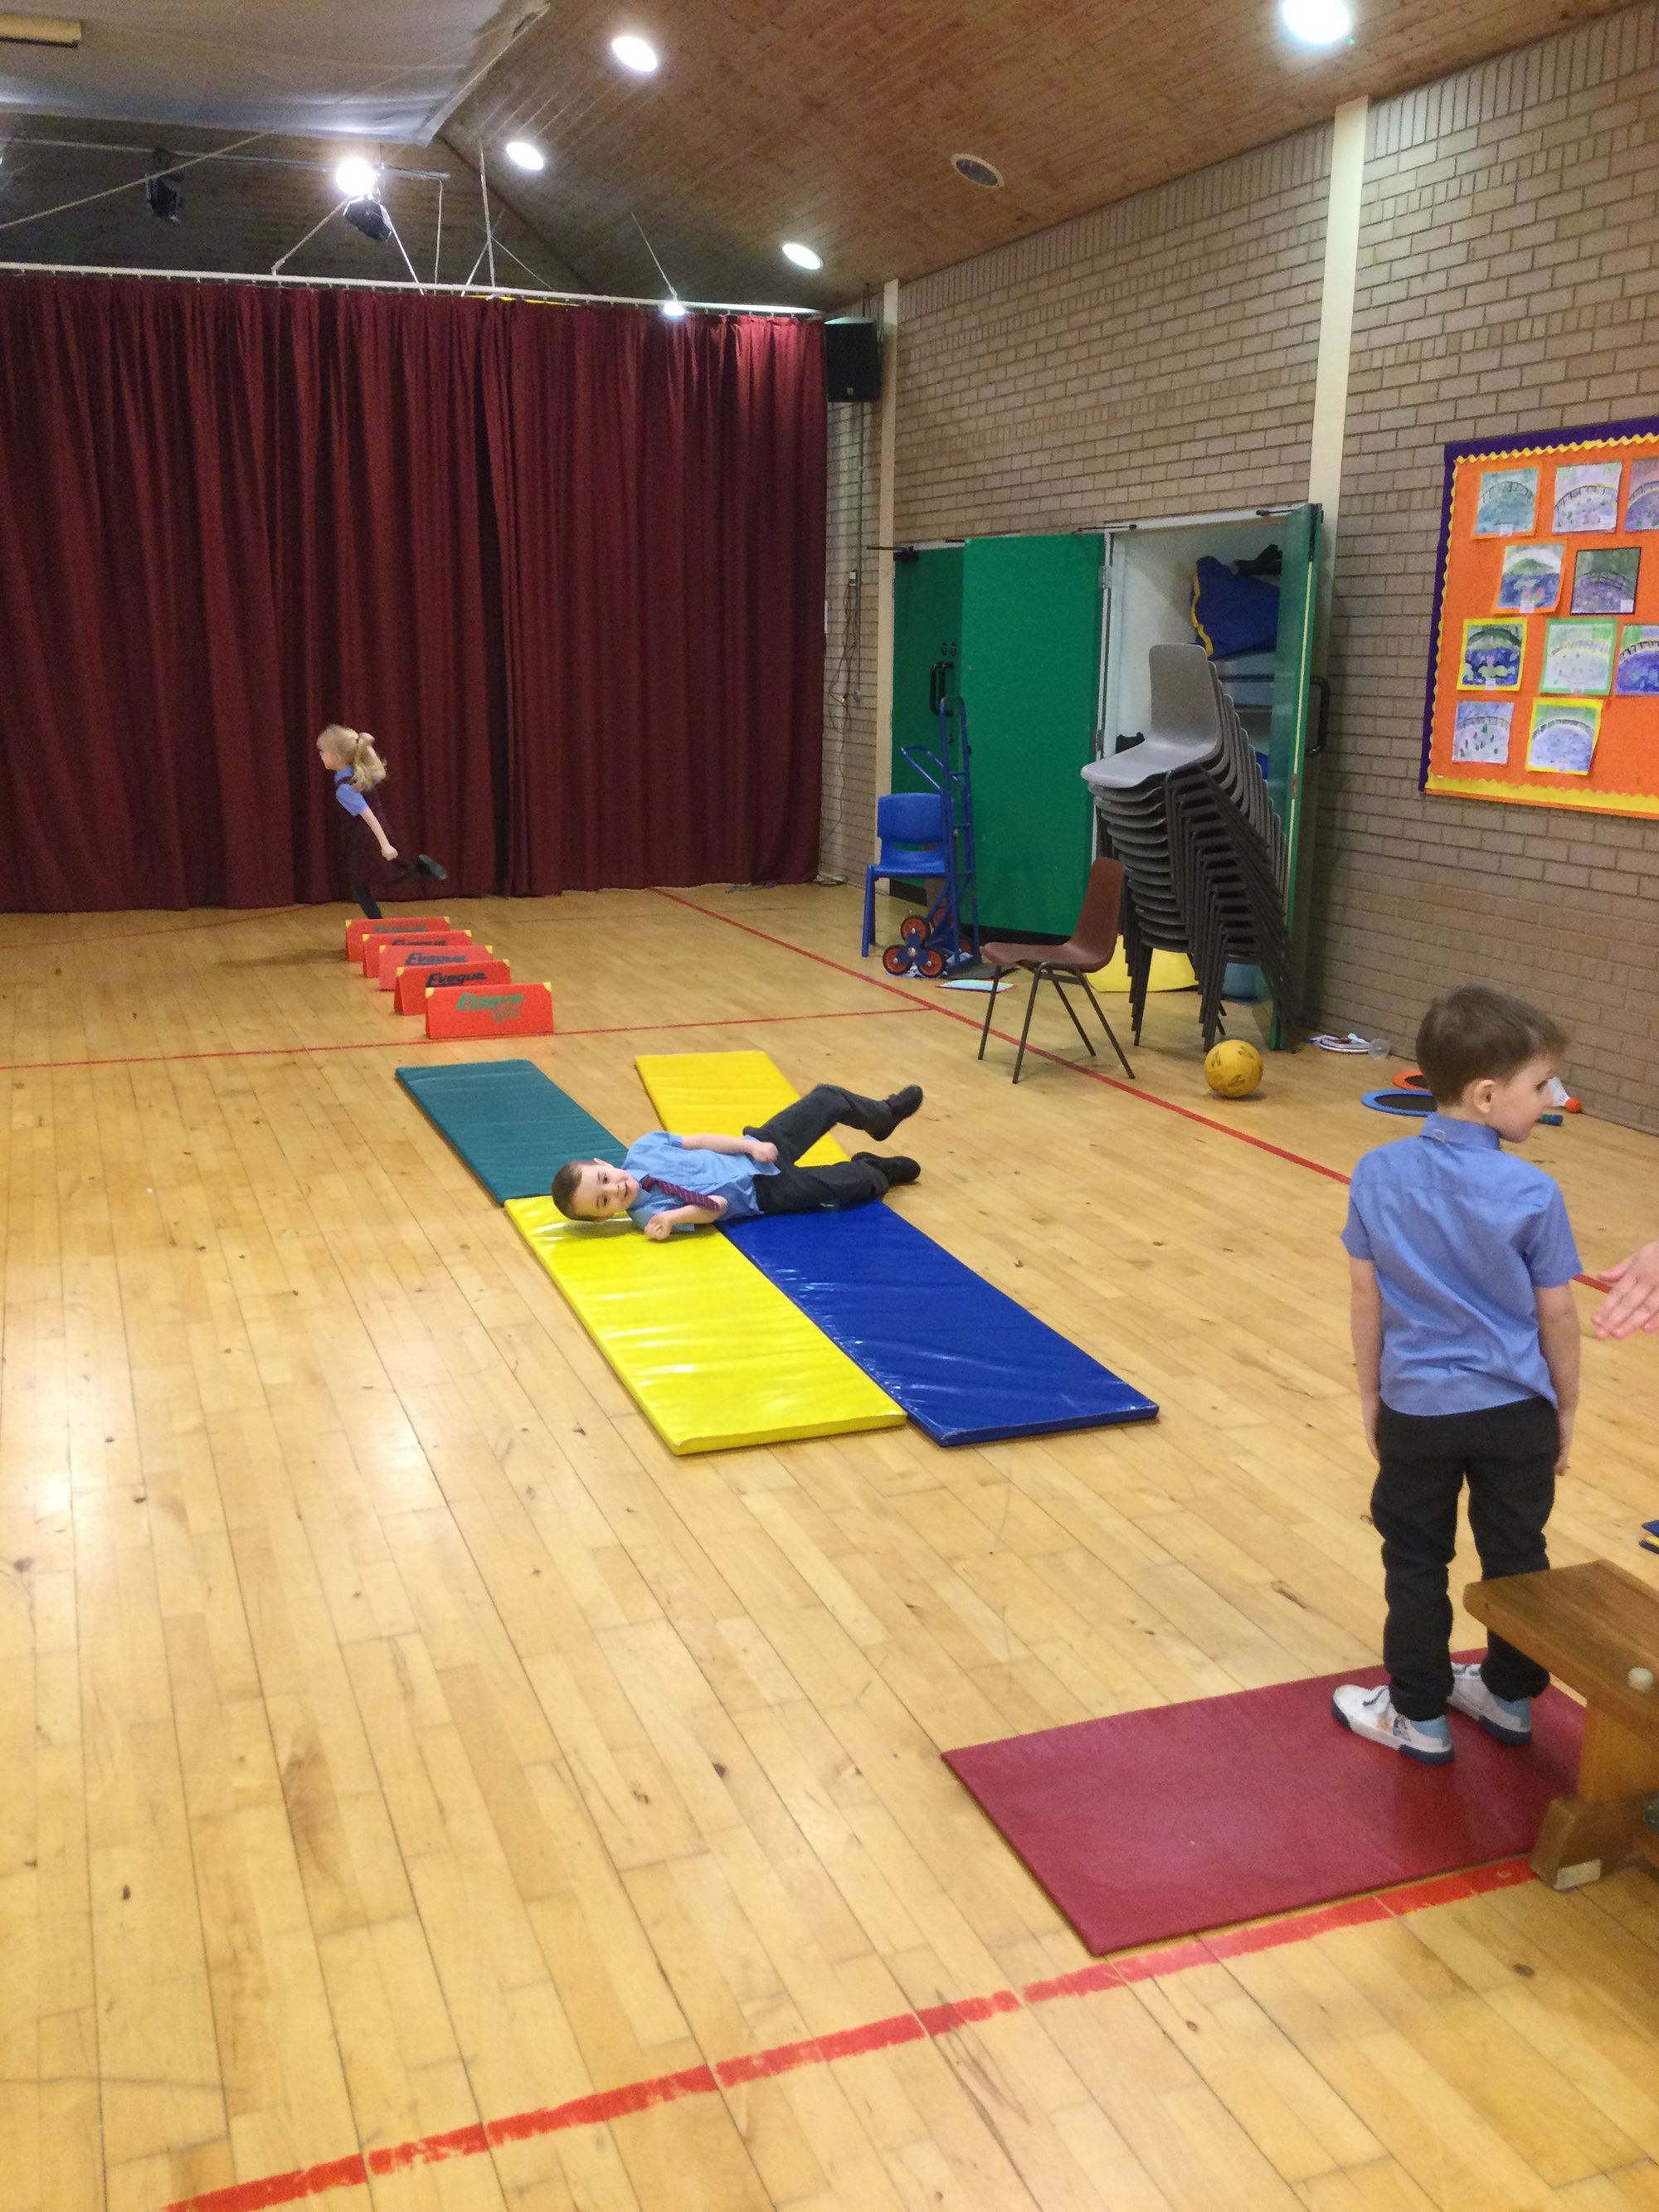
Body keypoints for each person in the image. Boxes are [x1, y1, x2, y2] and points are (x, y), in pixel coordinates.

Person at [1332, 984, 1581, 1764]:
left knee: (1415, 1560)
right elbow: (1558, 1316)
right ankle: (1509, 1696)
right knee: (1517, 1557)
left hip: (1420, 1410)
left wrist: (1371, 1395)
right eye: (1541, 1084)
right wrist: (1564, 1409)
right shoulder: (1534, 1191)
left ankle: (1419, 1714)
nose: (1554, 1097)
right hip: (1516, 1414)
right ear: (1486, 1096)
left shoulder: (1376, 1172)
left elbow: (1366, 1296)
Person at [552, 1082, 925, 1242]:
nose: (615, 1189)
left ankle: (882, 1115)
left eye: (604, 1178)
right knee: (853, 1183)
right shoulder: (651, 1217)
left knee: (827, 1098)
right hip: (765, 1192)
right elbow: (716, 1206)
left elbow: (699, 1141)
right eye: (604, 1200)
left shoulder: (644, 1148)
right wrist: (674, 1217)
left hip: (756, 1149)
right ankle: (877, 1169)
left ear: (603, 1162)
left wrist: (749, 1147)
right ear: (605, 1218)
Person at [317, 723, 446, 919]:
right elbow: (379, 771)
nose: (320, 755)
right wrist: (368, 746)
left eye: (323, 752)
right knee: (369, 879)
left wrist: (384, 845)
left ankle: (379, 922)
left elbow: (367, 815)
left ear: (337, 757)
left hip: (365, 838)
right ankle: (378, 920)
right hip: (374, 833)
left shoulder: (344, 788)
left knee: (370, 881)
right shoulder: (357, 772)